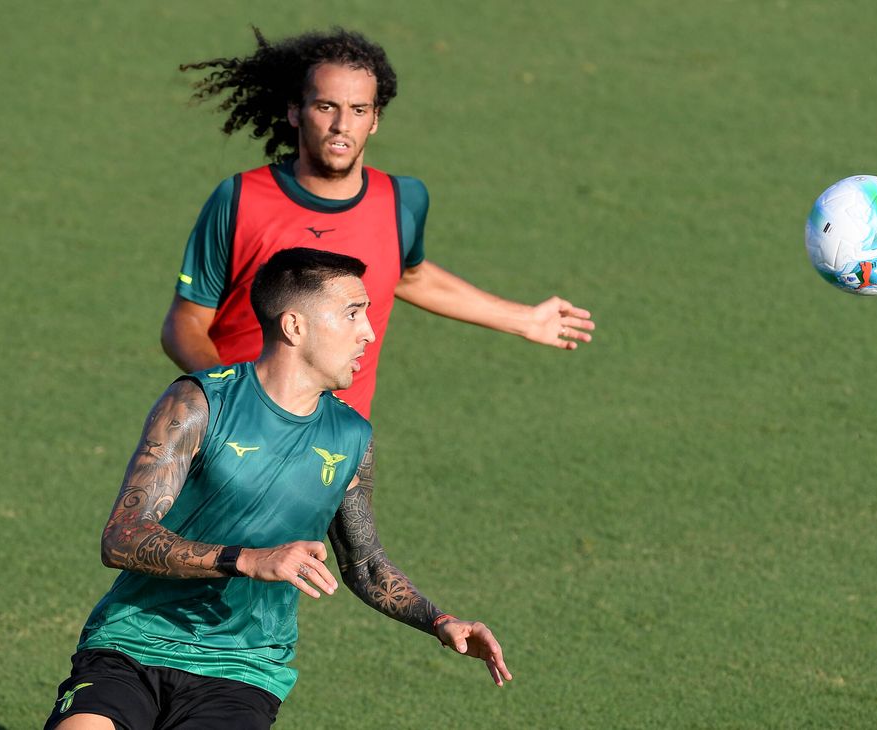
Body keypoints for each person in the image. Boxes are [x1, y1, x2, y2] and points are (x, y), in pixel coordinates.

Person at [45, 248, 511, 730]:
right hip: (132, 643)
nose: (369, 333)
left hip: (242, 670)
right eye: (353, 314)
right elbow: (122, 536)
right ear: (294, 326)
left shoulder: (351, 437)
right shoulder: (200, 402)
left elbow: (365, 564)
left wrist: (440, 622)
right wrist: (246, 559)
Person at [162, 26, 595, 419]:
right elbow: (185, 324)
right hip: (235, 439)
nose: (341, 125)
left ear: (375, 119)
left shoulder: (402, 201)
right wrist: (235, 399)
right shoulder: (240, 200)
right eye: (326, 106)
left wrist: (524, 319)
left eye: (358, 109)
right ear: (296, 111)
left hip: (338, 453)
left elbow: (407, 275)